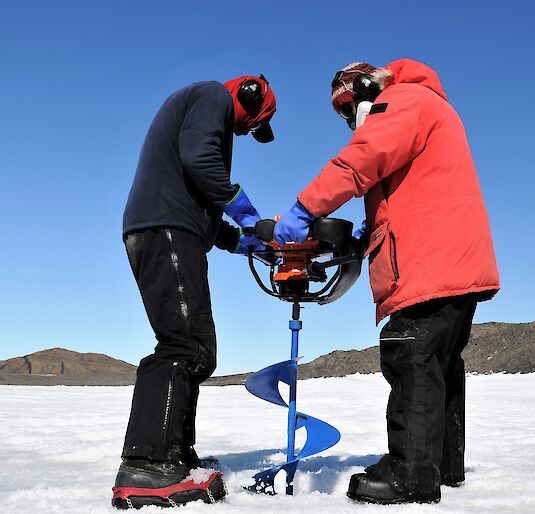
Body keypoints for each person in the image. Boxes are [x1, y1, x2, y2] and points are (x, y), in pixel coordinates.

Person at [273, 59, 500, 504]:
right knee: (440, 365)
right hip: (454, 262)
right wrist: (365, 235)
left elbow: (363, 159)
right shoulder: (430, 105)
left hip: (430, 261)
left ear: (365, 87)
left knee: (410, 354)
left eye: (347, 105)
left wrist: (305, 209)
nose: (348, 117)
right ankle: (441, 466)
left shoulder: (401, 99)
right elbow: (407, 192)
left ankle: (411, 475)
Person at [113, 75, 276, 509]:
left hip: (170, 227)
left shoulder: (202, 109)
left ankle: (176, 457)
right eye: (250, 124)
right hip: (166, 228)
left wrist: (248, 244)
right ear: (248, 96)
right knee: (183, 346)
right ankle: (148, 466)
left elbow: (204, 206)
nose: (243, 133)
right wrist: (250, 215)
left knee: (197, 349)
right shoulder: (213, 96)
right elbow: (200, 159)